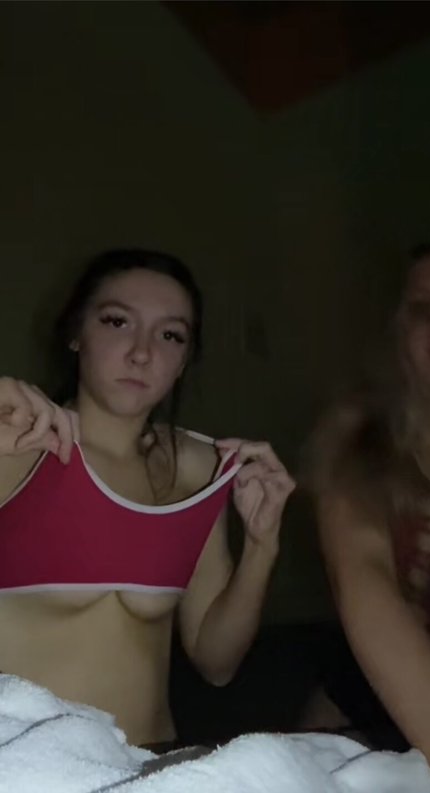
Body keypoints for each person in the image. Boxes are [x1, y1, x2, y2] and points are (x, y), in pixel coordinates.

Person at [0, 248, 295, 749]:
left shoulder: (198, 470)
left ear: (184, 361)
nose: (142, 353)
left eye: (170, 335)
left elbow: (217, 663)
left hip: (151, 763)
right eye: (117, 322)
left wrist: (262, 546)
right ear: (75, 334)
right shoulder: (18, 447)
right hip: (26, 769)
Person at [304, 238, 430, 791]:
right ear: (398, 333)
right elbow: (364, 578)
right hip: (368, 712)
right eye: (421, 308)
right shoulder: (357, 436)